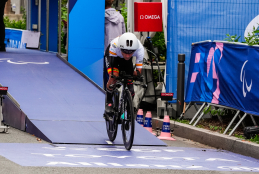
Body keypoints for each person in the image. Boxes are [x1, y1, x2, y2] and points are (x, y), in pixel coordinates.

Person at [104, 32, 144, 113]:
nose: (128, 55)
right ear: (120, 48)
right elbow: (112, 64)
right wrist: (114, 75)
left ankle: (129, 104)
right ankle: (109, 102)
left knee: (131, 84)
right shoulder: (115, 45)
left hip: (126, 61)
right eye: (125, 52)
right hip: (113, 56)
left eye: (131, 52)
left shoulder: (139, 49)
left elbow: (138, 71)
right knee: (113, 76)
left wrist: (136, 75)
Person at [104, 0, 126, 90]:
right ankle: (116, 99)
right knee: (116, 76)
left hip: (106, 51)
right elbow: (124, 35)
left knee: (107, 77)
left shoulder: (101, 17)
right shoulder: (120, 17)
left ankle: (107, 99)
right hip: (118, 52)